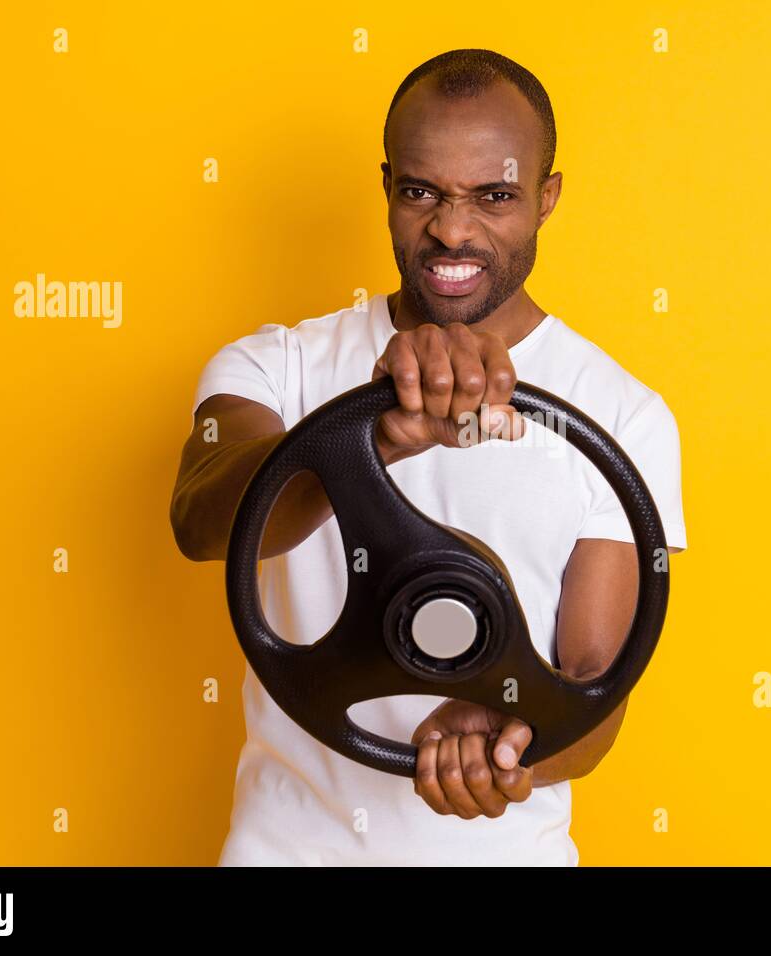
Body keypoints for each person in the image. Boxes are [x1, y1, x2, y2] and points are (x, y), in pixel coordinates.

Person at [170, 48, 688, 865]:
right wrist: (369, 440)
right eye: (422, 192)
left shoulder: (626, 414)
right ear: (386, 188)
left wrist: (506, 748)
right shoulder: (274, 366)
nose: (452, 228)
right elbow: (202, 518)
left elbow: (595, 685)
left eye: (495, 196)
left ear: (547, 197)